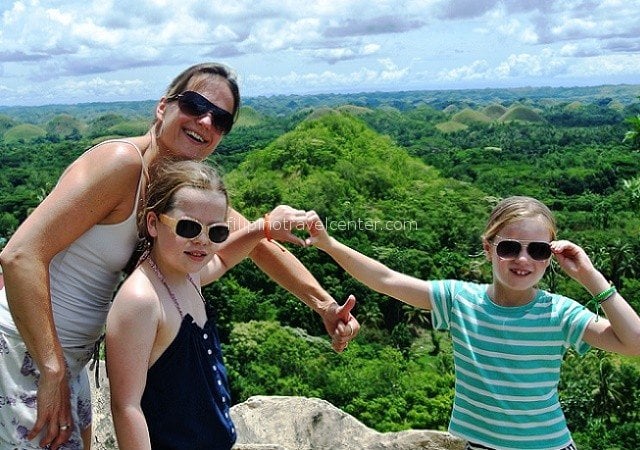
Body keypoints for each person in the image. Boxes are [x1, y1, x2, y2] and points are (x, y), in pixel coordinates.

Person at [0, 62, 358, 450]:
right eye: (195, 104)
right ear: (162, 107)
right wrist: (51, 370)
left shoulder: (176, 191)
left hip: (70, 355)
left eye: (221, 120)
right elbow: (20, 254)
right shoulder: (122, 163)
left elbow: (258, 241)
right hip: (27, 345)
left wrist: (324, 305)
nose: (206, 121)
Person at [304, 196, 640, 450]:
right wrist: (328, 244)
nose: (523, 260)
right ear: (488, 248)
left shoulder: (559, 313)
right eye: (510, 247)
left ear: (550, 257)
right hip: (470, 445)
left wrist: (591, 277)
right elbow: (387, 280)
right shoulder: (459, 300)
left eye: (538, 250)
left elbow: (634, 344)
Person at [106, 160, 309, 449]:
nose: (202, 241)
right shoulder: (142, 300)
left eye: (216, 232)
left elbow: (223, 259)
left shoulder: (187, 274)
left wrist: (263, 228)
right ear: (153, 223)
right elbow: (127, 408)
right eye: (188, 227)